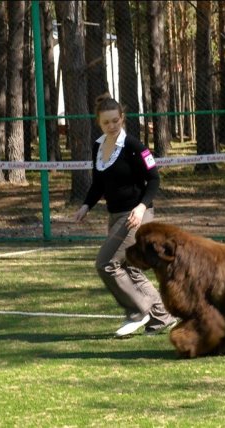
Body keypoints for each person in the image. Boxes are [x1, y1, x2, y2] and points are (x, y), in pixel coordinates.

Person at [73, 95, 176, 337]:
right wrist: (86, 205)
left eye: (115, 121)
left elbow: (154, 179)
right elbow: (98, 183)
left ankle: (137, 311)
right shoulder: (98, 146)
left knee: (106, 264)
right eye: (106, 122)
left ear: (122, 119)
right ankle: (162, 316)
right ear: (99, 123)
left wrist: (141, 208)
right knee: (130, 269)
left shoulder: (134, 147)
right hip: (115, 215)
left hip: (137, 215)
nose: (111, 126)